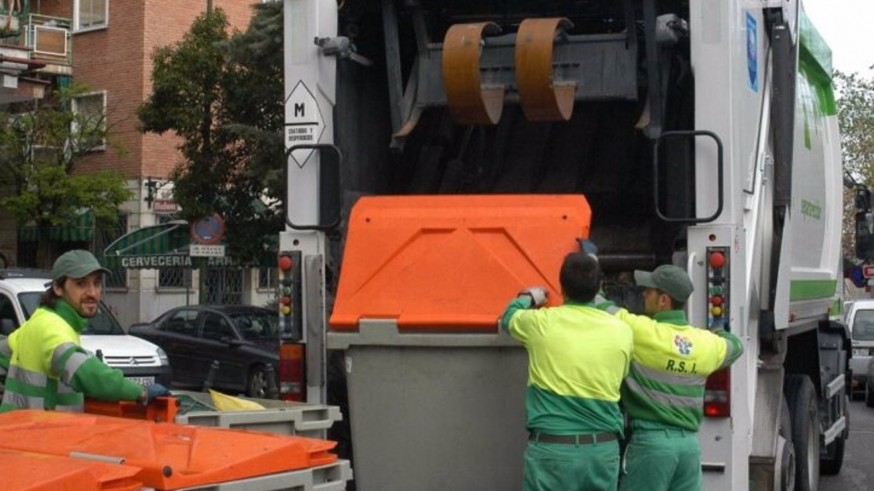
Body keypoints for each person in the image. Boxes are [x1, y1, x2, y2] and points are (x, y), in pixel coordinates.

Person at [598, 264, 744, 491]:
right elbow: (736, 346)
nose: (643, 293)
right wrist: (720, 332)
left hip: (652, 446)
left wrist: (592, 278)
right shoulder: (704, 343)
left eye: (649, 290)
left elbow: (601, 308)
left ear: (663, 300)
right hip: (688, 449)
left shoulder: (642, 332)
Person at [500, 251, 633, 491]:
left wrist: (529, 297)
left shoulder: (541, 323)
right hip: (601, 452)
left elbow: (507, 319)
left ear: (561, 287)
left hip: (553, 451)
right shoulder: (622, 330)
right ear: (599, 287)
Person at [0, 249, 170, 412]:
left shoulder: (40, 320)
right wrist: (141, 392)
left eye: (96, 283)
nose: (92, 292)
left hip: (19, 433)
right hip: (39, 436)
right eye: (81, 284)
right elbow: (84, 372)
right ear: (58, 288)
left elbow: (3, 353)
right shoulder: (51, 327)